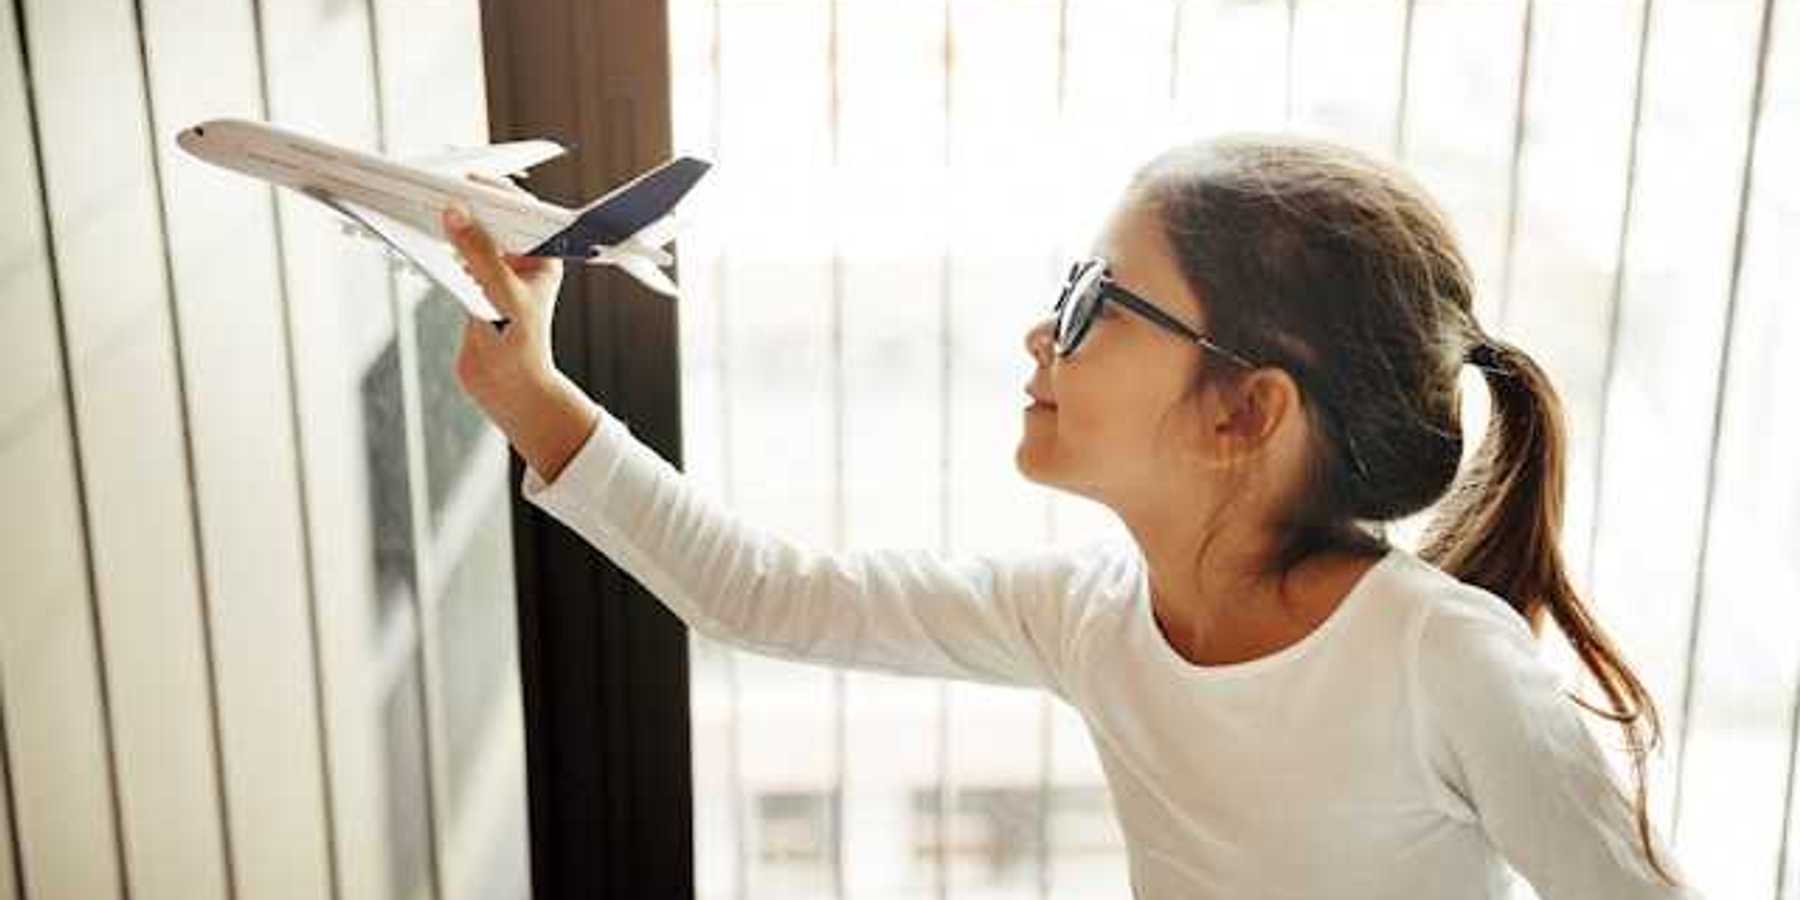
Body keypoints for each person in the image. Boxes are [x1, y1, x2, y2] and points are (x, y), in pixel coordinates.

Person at [440, 134, 1702, 898]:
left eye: (1099, 301)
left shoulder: (1443, 661)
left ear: (1245, 413)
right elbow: (765, 596)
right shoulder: (1090, 618)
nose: (1045, 333)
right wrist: (533, 395)